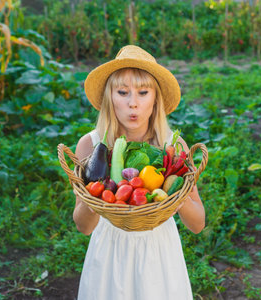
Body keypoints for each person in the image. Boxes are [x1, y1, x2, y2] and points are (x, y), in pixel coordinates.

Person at [73, 45, 205, 300]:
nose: (133, 103)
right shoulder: (91, 145)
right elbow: (83, 226)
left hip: (159, 253)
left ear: (155, 98)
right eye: (123, 92)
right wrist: (94, 199)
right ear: (110, 97)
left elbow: (198, 223)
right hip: (109, 252)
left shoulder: (173, 146)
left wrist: (176, 199)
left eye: (143, 92)